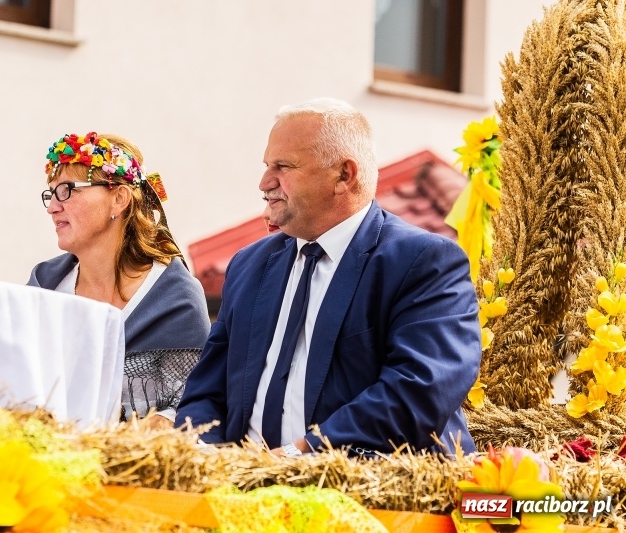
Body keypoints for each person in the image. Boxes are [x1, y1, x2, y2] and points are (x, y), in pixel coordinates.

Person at [175, 98, 481, 457]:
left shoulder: (424, 262)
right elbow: (206, 391)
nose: (264, 182)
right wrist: (201, 454)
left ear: (343, 176)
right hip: (241, 493)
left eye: (283, 166)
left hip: (370, 498)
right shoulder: (248, 266)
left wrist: (299, 454)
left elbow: (419, 390)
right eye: (266, 166)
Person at [28, 131, 210, 428]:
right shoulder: (44, 286)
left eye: (68, 190)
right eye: (51, 193)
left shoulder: (175, 296)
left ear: (119, 199)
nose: (52, 207)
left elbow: (195, 401)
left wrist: (165, 421)